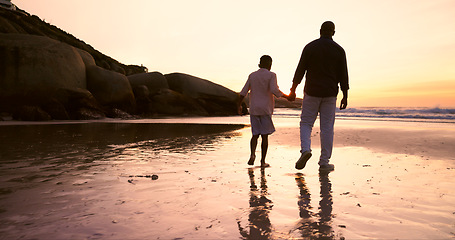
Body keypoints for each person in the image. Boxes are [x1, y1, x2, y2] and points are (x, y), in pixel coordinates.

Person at [288, 21, 349, 172]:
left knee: (306, 123)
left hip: (312, 92)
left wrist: (293, 89)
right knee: (327, 128)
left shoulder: (310, 47)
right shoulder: (339, 50)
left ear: (320, 30)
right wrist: (345, 95)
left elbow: (300, 69)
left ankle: (306, 150)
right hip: (330, 93)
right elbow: (344, 74)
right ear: (333, 33)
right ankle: (324, 162)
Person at [238, 55, 289, 167]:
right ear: (270, 64)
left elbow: (243, 92)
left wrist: (239, 106)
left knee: (255, 135)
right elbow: (274, 90)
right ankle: (262, 161)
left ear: (260, 63)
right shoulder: (271, 75)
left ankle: (252, 155)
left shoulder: (252, 75)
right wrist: (287, 96)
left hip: (254, 109)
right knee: (264, 136)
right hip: (265, 109)